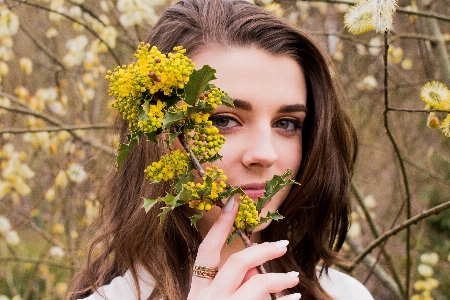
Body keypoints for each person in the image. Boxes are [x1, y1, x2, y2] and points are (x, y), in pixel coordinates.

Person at [68, 0, 374, 299]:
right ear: (158, 131)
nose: (265, 154)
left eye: (287, 124)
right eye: (224, 120)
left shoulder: (345, 294)